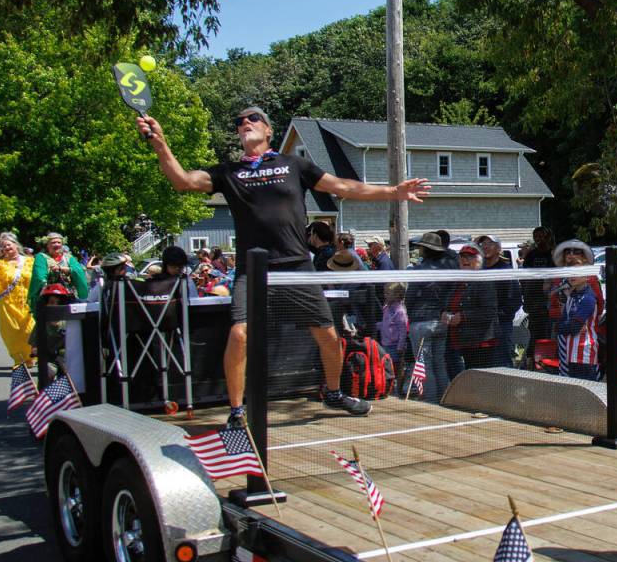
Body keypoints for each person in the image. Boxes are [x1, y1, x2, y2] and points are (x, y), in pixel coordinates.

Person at [136, 106, 428, 427]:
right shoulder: (229, 172)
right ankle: (236, 411)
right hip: (253, 269)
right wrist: (160, 143)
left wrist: (393, 191)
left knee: (329, 337)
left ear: (269, 130)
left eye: (253, 118)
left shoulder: (294, 164)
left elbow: (343, 187)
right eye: (239, 121)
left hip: (296, 266)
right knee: (239, 335)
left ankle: (333, 392)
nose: (245, 123)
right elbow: (182, 181)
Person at [405, 232, 453, 402]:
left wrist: (409, 315)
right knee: (439, 363)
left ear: (425, 249)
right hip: (440, 321)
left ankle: (430, 401)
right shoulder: (448, 269)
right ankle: (445, 399)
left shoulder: (420, 270)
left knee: (424, 365)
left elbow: (410, 297)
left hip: (421, 322)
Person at [443, 243, 499, 370]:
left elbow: (489, 312)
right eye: (462, 257)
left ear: (480, 260)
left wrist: (463, 316)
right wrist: (444, 313)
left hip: (480, 342)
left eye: (470, 257)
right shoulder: (457, 281)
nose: (464, 260)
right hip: (460, 341)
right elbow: (447, 304)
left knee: (479, 379)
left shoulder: (484, 281)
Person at [551, 239, 600, 380]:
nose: (572, 276)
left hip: (585, 353)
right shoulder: (571, 296)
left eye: (577, 272)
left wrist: (569, 325)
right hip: (570, 350)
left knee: (588, 388)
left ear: (587, 275)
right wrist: (567, 325)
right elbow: (561, 325)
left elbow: (572, 327)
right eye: (569, 272)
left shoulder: (588, 298)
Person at [0, 232, 36, 365]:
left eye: (8, 245)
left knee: (29, 330)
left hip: (27, 302)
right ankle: (19, 359)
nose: (6, 248)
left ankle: (30, 355)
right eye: (3, 247)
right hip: (8, 304)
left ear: (16, 245)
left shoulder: (29, 261)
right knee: (12, 334)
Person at [477, 235, 521, 368]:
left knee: (501, 362)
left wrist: (500, 315)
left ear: (498, 249)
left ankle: (507, 388)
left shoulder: (505, 270)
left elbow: (515, 300)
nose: (485, 246)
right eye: (483, 244)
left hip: (501, 325)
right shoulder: (479, 270)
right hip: (481, 326)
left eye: (489, 243)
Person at [28, 232, 88, 315]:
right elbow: (39, 276)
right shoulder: (41, 257)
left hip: (68, 295)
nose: (56, 244)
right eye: (53, 242)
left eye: (59, 242)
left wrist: (63, 269)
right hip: (48, 297)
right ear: (47, 245)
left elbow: (79, 271)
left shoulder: (69, 258)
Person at [520, 227, 556, 350]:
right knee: (533, 332)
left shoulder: (554, 254)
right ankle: (531, 358)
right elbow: (524, 277)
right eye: (536, 236)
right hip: (533, 301)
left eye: (541, 236)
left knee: (546, 333)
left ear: (548, 237)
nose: (538, 239)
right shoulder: (531, 255)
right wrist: (525, 297)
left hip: (548, 301)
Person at [378, 282, 408, 370]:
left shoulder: (399, 311)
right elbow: (385, 324)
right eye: (384, 292)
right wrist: (373, 325)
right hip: (385, 344)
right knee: (386, 368)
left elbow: (403, 330)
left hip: (394, 346)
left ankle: (395, 383)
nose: (385, 295)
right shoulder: (386, 308)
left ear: (397, 295)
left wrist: (400, 346)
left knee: (393, 368)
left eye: (388, 293)